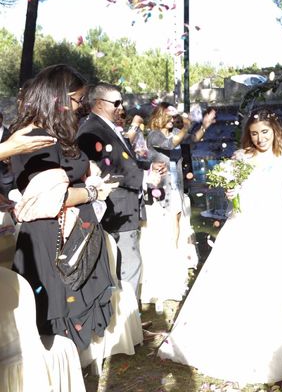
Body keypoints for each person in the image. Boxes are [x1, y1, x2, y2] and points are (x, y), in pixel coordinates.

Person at [158, 108, 282, 385]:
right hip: (244, 225)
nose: (260, 138)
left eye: (265, 132)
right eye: (255, 134)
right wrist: (231, 191)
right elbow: (233, 189)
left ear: (275, 130)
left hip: (277, 225)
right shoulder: (240, 157)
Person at [11, 64, 118, 349]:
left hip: (73, 233)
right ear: (56, 97)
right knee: (55, 322)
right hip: (50, 239)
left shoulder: (53, 132)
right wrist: (92, 192)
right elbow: (51, 198)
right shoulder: (34, 137)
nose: (79, 107)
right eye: (76, 100)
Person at [77, 83, 163, 300]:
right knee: (127, 268)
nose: (120, 108)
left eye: (121, 102)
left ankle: (130, 323)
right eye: (115, 103)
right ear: (98, 103)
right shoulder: (92, 130)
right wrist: (145, 177)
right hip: (115, 209)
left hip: (125, 207)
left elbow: (125, 163)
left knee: (129, 267)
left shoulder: (106, 127)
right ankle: (128, 327)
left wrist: (147, 168)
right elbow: (107, 168)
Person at [140, 103, 215, 311]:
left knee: (180, 225)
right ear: (160, 116)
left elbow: (192, 139)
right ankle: (169, 264)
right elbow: (172, 143)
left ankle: (177, 262)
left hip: (177, 187)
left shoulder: (175, 132)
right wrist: (186, 126)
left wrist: (205, 126)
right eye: (170, 116)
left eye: (175, 117)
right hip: (162, 191)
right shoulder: (154, 135)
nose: (174, 119)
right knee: (170, 227)